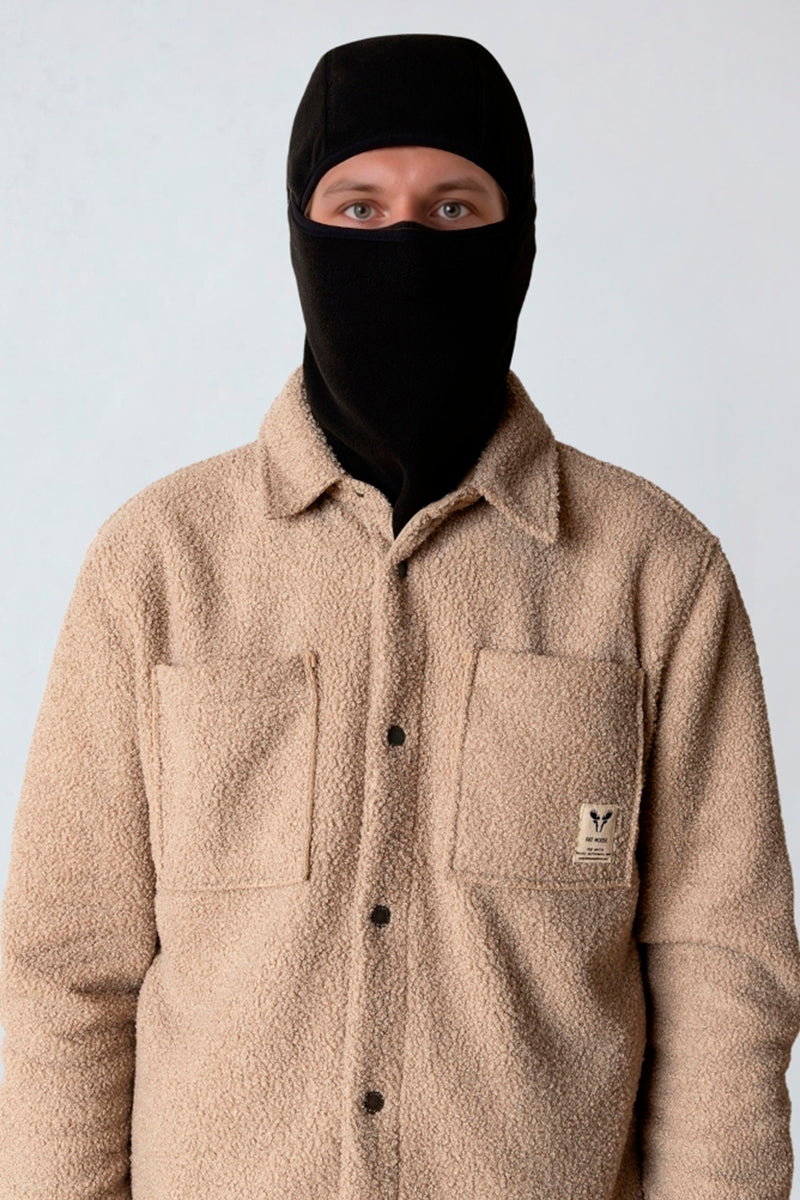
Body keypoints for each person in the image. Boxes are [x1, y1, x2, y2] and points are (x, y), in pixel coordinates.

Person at [0, 31, 798, 1200]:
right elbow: (63, 971)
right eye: (359, 209)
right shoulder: (156, 565)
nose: (406, 249)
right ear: (299, 234)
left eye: (454, 209)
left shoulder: (654, 573)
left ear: (520, 241)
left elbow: (723, 976)